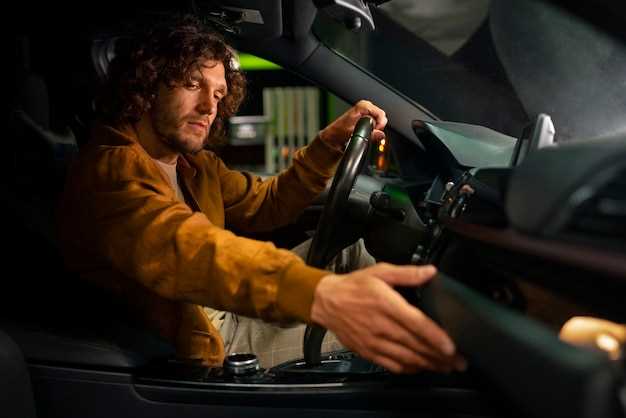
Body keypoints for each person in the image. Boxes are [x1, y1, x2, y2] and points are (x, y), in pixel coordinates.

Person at [58, 15, 465, 374]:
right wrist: (320, 294)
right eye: (192, 84)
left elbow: (267, 204)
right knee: (397, 328)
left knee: (351, 254)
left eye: (219, 94)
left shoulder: (193, 166)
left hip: (220, 307)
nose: (208, 106)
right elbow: (189, 249)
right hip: (206, 339)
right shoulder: (110, 170)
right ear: (148, 85)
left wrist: (328, 145)